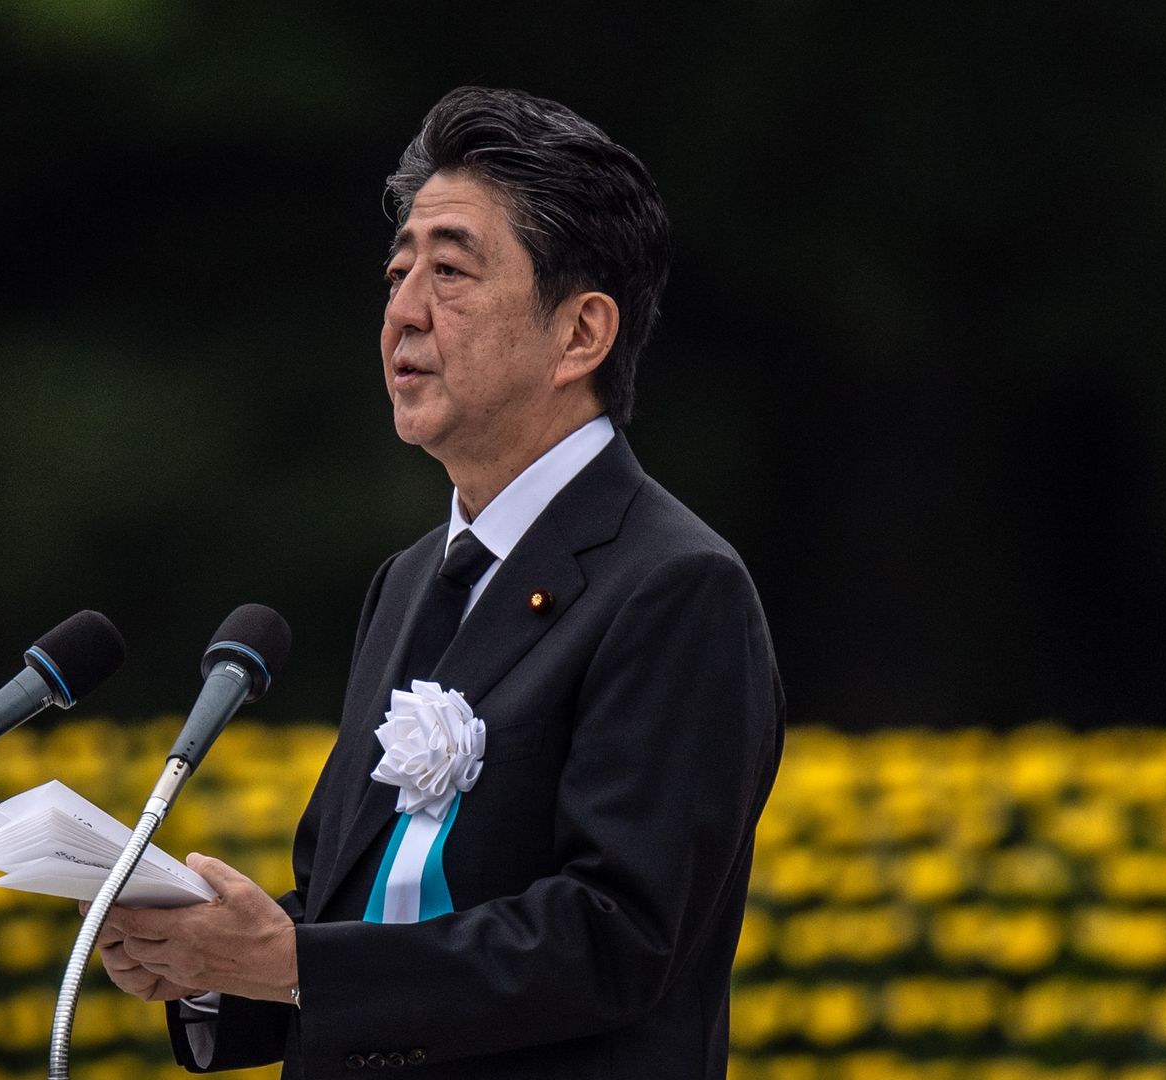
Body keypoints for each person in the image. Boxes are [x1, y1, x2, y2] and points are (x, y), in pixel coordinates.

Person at [96, 86, 785, 1079]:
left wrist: (292, 964)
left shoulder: (675, 586)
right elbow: (355, 908)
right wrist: (208, 960)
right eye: (398, 272)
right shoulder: (412, 579)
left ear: (582, 334)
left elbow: (612, 938)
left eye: (452, 272)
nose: (404, 311)